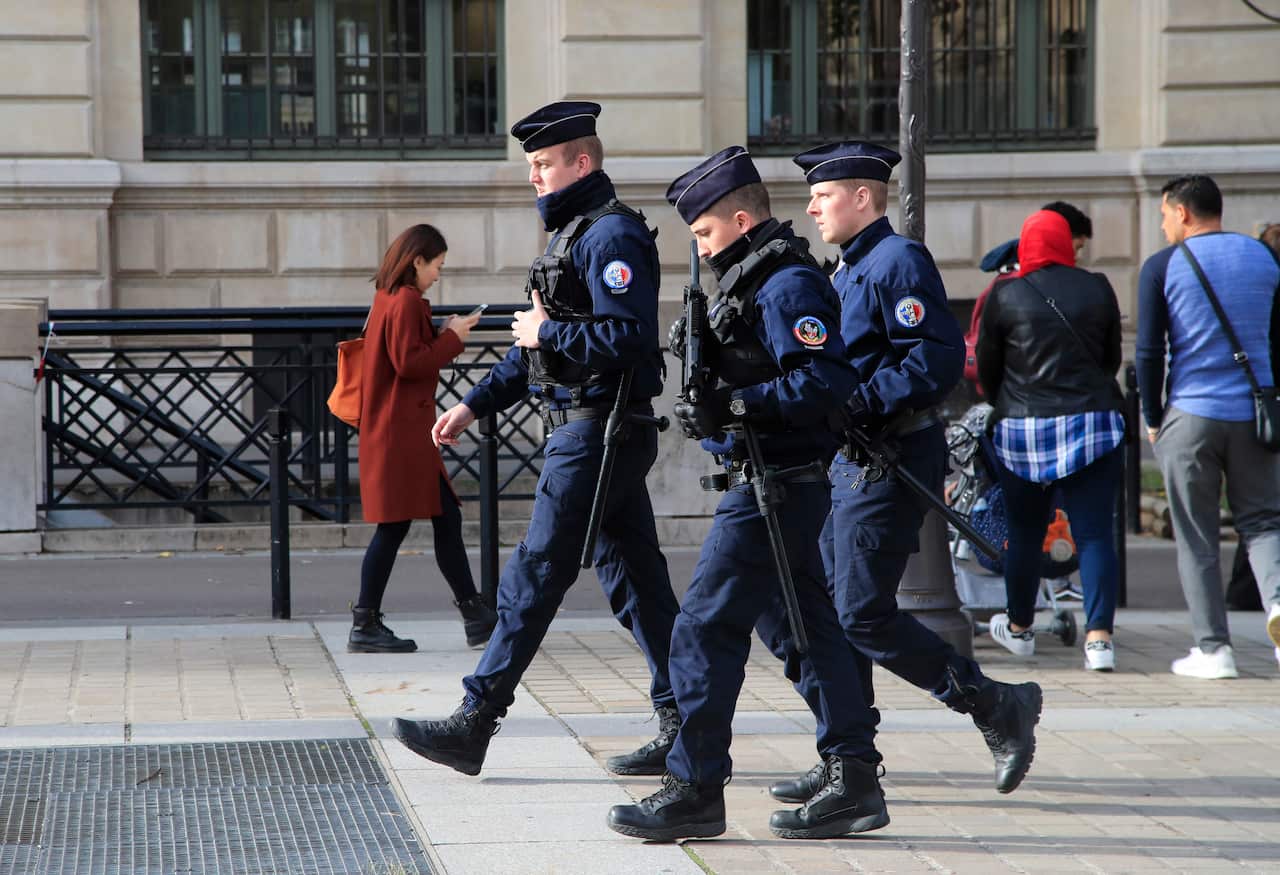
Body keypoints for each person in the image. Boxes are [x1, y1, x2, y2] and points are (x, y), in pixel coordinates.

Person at [391, 101, 683, 774]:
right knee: (637, 583)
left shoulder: (611, 237)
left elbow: (629, 335)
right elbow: (534, 353)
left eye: (544, 164)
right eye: (531, 166)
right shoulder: (571, 235)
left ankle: (475, 719)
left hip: (599, 430)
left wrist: (546, 332)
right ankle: (686, 721)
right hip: (589, 427)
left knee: (533, 574)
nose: (534, 178)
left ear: (583, 162)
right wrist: (472, 405)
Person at [608, 146, 886, 842]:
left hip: (776, 484)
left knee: (701, 627)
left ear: (738, 219)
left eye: (704, 233)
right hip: (768, 480)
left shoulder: (785, 284)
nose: (700, 248)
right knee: (802, 629)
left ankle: (695, 787)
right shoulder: (749, 281)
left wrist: (735, 405)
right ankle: (853, 773)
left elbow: (825, 381)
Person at [772, 141, 1042, 804]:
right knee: (834, 614)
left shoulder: (897, 259)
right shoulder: (847, 269)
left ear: (863, 197)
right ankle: (846, 757)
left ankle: (992, 703)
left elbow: (934, 358)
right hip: (850, 458)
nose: (811, 206)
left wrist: (864, 399)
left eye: (823, 194)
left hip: (889, 454)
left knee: (861, 612)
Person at [1135, 174, 1280, 678]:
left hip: (1191, 415)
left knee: (1196, 536)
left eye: (1163, 214)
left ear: (1183, 213)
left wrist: (1153, 418)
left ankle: (1214, 649)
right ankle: (1279, 605)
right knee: (1262, 522)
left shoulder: (1163, 266)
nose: (1163, 223)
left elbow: (1150, 351)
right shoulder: (1264, 257)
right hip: (1255, 416)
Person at [975, 208, 1126, 671]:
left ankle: (1019, 628)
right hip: (1091, 426)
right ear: (1066, 242)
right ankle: (1099, 639)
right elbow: (1111, 359)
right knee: (1096, 532)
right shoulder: (1098, 286)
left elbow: (987, 369)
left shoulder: (1007, 294)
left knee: (1024, 531)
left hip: (1023, 430)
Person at [348, 224, 495, 653]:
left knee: (442, 517)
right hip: (401, 435)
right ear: (417, 261)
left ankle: (475, 616)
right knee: (396, 528)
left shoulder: (388, 298)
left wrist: (442, 331)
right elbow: (410, 364)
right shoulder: (408, 301)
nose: (438, 275)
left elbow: (402, 353)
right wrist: (453, 338)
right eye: (437, 266)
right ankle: (366, 623)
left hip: (396, 432)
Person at [963, 202, 1094, 398]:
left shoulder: (1004, 283)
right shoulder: (1017, 287)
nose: (1075, 256)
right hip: (1028, 400)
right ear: (1059, 238)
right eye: (1076, 247)